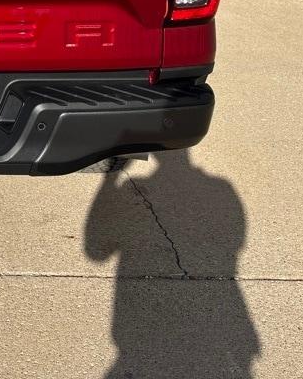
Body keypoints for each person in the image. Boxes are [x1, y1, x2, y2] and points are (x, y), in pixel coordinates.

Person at [85, 149, 260, 378]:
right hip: (229, 311)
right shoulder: (221, 187)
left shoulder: (134, 185)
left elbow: (97, 251)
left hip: (134, 332)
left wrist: (110, 179)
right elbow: (236, 241)